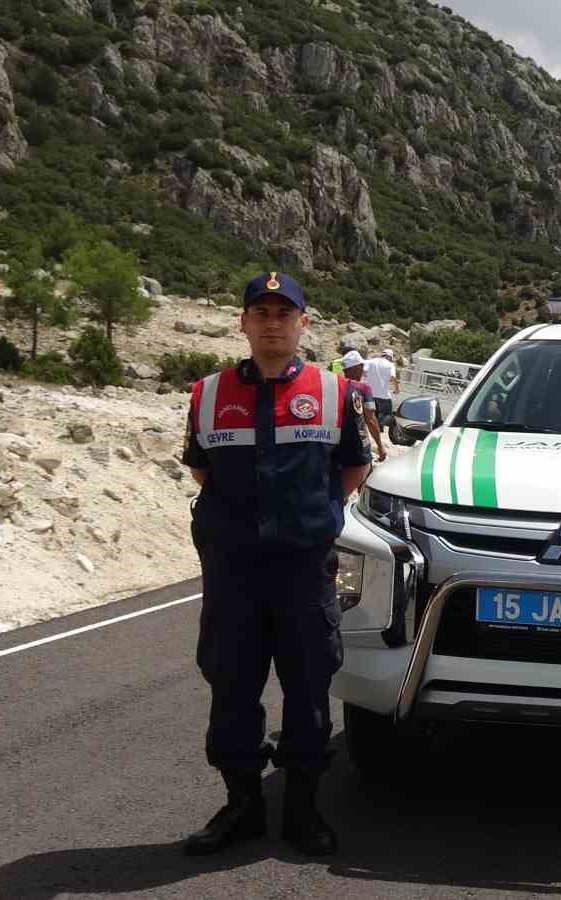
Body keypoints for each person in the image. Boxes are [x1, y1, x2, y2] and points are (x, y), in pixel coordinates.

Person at [180, 271, 373, 858]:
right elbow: (202, 471)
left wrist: (308, 519)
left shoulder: (336, 392)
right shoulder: (207, 394)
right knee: (231, 683)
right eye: (260, 314)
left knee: (309, 685)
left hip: (302, 569)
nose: (271, 324)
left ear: (302, 324)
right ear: (242, 323)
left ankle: (302, 808)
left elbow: (352, 469)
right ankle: (241, 806)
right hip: (234, 569)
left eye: (283, 314)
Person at [340, 350, 388, 462]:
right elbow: (370, 420)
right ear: (355, 369)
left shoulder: (336, 384)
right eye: (362, 366)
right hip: (356, 443)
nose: (363, 370)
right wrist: (380, 446)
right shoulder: (364, 389)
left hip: (335, 442)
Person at [363, 348, 397, 427]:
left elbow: (364, 371)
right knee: (388, 414)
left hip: (370, 394)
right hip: (384, 396)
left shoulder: (371, 361)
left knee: (369, 413)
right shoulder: (391, 365)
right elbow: (393, 378)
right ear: (390, 358)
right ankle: (380, 424)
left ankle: (373, 424)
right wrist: (397, 389)